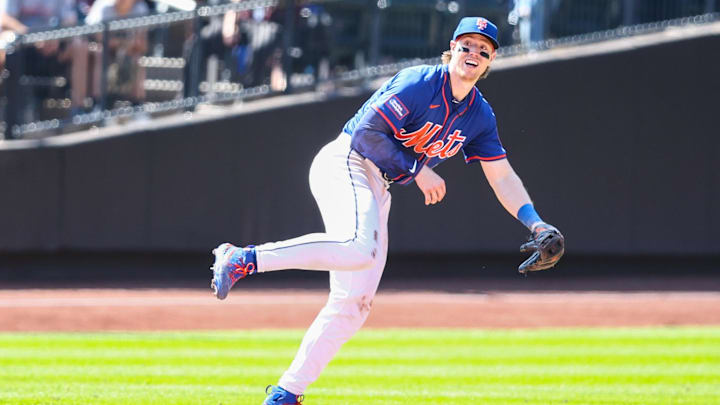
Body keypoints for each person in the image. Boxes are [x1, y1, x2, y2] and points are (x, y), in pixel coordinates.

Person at [211, 17, 564, 405]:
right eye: (466, 45)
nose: (473, 53)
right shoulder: (419, 83)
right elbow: (364, 133)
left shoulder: (480, 115)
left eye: (483, 49)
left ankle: (285, 394)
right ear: (451, 48)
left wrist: (535, 223)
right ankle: (243, 258)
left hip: (381, 184)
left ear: (491, 60)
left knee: (354, 304)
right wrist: (417, 170)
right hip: (347, 160)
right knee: (358, 247)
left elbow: (501, 177)